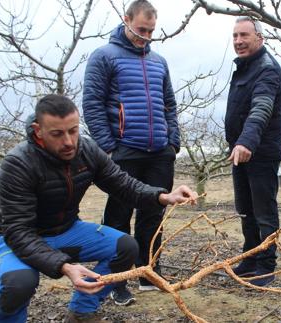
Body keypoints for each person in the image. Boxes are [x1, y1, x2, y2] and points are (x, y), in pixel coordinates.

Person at [0, 95, 197, 322]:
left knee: (126, 247)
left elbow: (124, 185)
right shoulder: (18, 163)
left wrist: (164, 196)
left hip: (65, 229)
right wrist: (65, 267)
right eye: (57, 134)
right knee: (20, 282)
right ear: (38, 130)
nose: (69, 141)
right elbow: (18, 231)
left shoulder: (87, 151)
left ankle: (82, 312)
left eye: (73, 130)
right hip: (16, 236)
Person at [82, 0, 180, 304]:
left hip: (159, 152)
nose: (146, 36)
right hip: (124, 151)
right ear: (126, 20)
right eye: (141, 30)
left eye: (151, 31)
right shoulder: (103, 57)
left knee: (154, 213)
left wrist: (172, 142)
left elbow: (169, 105)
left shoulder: (159, 62)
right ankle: (118, 280)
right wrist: (109, 147)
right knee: (118, 217)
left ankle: (149, 271)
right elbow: (92, 104)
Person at [225, 17, 281, 287]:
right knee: (245, 210)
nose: (238, 41)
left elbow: (261, 109)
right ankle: (250, 257)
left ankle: (266, 265)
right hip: (240, 153)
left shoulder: (266, 69)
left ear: (259, 37)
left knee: (264, 212)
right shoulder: (244, 68)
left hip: (260, 154)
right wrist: (238, 145)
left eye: (244, 35)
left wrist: (246, 142)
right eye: (235, 36)